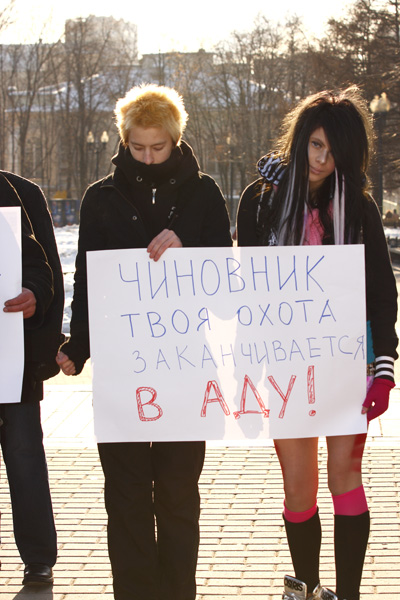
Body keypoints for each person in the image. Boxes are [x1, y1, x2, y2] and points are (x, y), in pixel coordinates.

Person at [56, 83, 232, 600]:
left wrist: (190, 245)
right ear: (124, 141)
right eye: (138, 147)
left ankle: (178, 593)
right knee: (127, 495)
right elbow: (88, 281)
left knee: (179, 495)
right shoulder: (100, 197)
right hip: (121, 372)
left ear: (176, 141)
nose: (149, 157)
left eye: (159, 147)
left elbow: (226, 284)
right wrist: (78, 345)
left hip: (185, 369)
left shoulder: (204, 194)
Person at [236, 87, 398, 600]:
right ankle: (307, 587)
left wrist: (384, 367)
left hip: (347, 364)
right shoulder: (260, 201)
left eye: (336, 152)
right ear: (301, 138)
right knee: (298, 487)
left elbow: (381, 291)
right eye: (316, 146)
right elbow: (243, 287)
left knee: (346, 476)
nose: (323, 161)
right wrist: (244, 370)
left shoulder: (358, 205)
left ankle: (347, 594)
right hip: (284, 365)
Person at [1, 171, 64, 585]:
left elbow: (44, 272)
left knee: (24, 455)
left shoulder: (14, 195)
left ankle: (38, 557)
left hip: (10, 358)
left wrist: (34, 296)